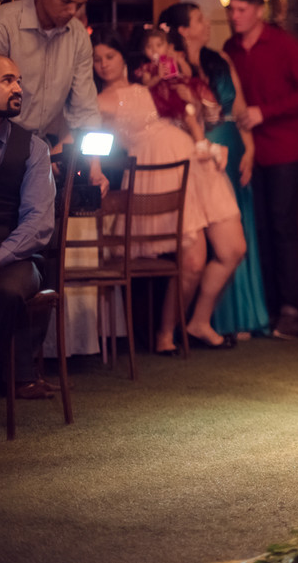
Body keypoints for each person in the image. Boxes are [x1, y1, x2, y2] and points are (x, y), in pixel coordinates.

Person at [92, 31, 245, 353]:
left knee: (234, 249)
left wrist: (206, 141)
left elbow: (192, 111)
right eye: (97, 59)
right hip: (159, 170)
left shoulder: (149, 81)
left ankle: (199, 321)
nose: (103, 64)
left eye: (109, 56)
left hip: (194, 160)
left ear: (123, 57)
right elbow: (81, 133)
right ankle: (165, 335)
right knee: (193, 261)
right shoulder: (98, 101)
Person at [160, 3, 269, 341]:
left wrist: (249, 149)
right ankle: (186, 326)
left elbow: (239, 108)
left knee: (237, 236)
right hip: (200, 153)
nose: (207, 23)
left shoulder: (219, 60)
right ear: (182, 30)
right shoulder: (170, 66)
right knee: (202, 245)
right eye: (199, 20)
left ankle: (230, 318)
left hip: (231, 148)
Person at [222, 0, 298, 340]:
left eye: (241, 9)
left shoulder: (284, 45)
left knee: (282, 227)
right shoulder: (230, 49)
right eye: (231, 9)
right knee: (258, 228)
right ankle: (265, 310)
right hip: (248, 153)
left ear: (259, 11)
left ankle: (290, 310)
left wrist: (264, 112)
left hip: (284, 150)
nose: (234, 16)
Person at [0, 54, 57, 444]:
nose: (18, 88)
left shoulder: (33, 147)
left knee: (4, 292)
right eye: (7, 80)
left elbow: (38, 223)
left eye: (19, 80)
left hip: (16, 260)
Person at [0, 0, 108, 195]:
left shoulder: (78, 36)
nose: (72, 11)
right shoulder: (0, 25)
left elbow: (85, 110)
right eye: (65, 1)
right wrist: (28, 154)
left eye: (79, 4)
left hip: (42, 151)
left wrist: (95, 167)